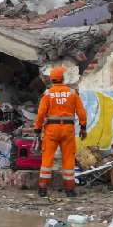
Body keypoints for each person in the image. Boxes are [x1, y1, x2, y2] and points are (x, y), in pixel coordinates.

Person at [35, 66, 87, 198]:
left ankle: (42, 189)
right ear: (63, 78)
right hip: (68, 130)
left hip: (51, 129)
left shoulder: (47, 94)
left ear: (52, 80)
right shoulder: (72, 93)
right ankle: (70, 190)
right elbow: (81, 112)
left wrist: (37, 128)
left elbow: (41, 113)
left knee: (47, 159)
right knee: (68, 159)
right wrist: (83, 127)